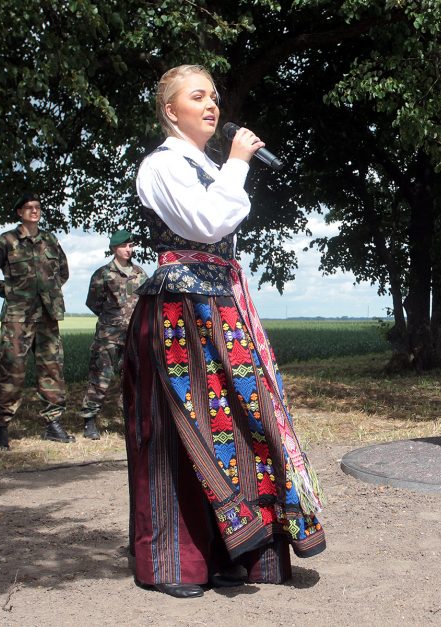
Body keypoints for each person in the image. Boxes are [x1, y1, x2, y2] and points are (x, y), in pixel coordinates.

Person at [124, 64, 325, 599]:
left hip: (221, 307)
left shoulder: (208, 165)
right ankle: (173, 561)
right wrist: (237, 163)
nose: (212, 104)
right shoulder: (161, 166)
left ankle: (233, 552)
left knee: (237, 427)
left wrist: (230, 166)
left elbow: (220, 222)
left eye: (214, 95)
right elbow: (206, 224)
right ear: (171, 111)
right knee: (176, 435)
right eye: (198, 97)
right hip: (178, 313)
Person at [0, 193, 73, 449]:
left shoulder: (50, 240)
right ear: (19, 212)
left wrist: (48, 293)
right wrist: (11, 293)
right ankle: (2, 427)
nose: (34, 211)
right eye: (29, 208)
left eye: (38, 207)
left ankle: (53, 424)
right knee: (12, 370)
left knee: (52, 369)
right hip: (17, 318)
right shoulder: (7, 241)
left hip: (47, 316)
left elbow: (62, 271)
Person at [77, 230, 148, 439]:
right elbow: (93, 302)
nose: (128, 249)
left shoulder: (140, 273)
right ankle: (89, 420)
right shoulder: (103, 274)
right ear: (114, 249)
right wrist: (112, 317)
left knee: (132, 377)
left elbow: (145, 302)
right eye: (124, 246)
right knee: (101, 377)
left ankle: (130, 420)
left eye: (131, 245)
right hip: (108, 335)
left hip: (133, 335)